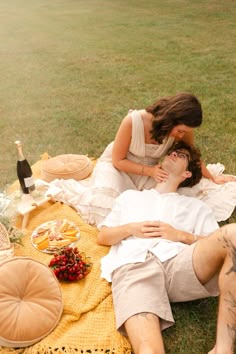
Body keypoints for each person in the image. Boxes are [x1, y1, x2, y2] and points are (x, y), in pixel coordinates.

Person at [97, 141, 236, 354]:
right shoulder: (130, 197)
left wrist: (180, 235)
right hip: (135, 266)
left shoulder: (196, 207)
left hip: (180, 263)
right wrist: (131, 228)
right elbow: (103, 236)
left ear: (188, 174)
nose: (173, 154)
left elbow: (213, 243)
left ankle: (223, 350)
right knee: (148, 351)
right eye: (171, 152)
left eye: (180, 154)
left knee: (232, 234)